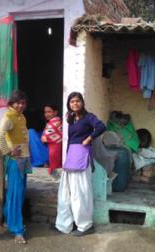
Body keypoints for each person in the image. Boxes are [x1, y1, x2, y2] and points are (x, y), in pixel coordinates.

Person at [55, 92, 106, 236]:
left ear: (82, 102)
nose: (75, 104)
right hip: (71, 157)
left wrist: (89, 138)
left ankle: (85, 226)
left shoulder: (89, 117)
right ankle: (65, 225)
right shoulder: (72, 120)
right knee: (66, 193)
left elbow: (101, 127)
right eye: (72, 102)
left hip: (82, 157)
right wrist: (65, 158)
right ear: (69, 104)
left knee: (80, 193)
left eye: (77, 101)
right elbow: (71, 139)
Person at [0, 90, 31, 244]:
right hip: (14, 160)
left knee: (19, 192)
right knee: (16, 194)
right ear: (12, 103)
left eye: (23, 103)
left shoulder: (21, 117)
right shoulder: (8, 116)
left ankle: (8, 220)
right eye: (18, 103)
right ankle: (17, 231)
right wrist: (8, 151)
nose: (21, 105)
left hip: (23, 159)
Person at [41, 103, 63, 175]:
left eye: (49, 112)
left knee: (31, 134)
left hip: (54, 147)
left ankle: (42, 162)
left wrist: (44, 137)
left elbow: (45, 137)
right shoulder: (54, 121)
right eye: (45, 112)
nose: (46, 114)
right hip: (54, 147)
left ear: (55, 112)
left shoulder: (55, 122)